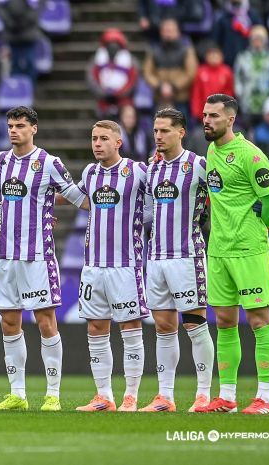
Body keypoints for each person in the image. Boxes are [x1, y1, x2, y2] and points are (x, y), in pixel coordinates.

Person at [0, 106, 85, 412]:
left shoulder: (49, 163)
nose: (14, 130)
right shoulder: (0, 161)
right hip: (5, 256)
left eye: (20, 125)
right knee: (9, 322)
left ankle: (52, 394)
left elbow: (79, 198)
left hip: (37, 255)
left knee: (45, 321)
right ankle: (18, 394)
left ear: (34, 129)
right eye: (10, 125)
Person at [200, 93, 269, 414]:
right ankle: (228, 398)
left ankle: (264, 398)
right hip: (218, 251)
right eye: (205, 115)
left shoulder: (252, 156)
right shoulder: (210, 149)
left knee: (260, 321)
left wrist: (261, 229)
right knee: (224, 322)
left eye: (214, 116)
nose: (207, 121)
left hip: (249, 250)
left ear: (230, 119)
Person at [140, 108, 216, 413]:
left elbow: (221, 198)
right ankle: (165, 397)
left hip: (187, 256)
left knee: (195, 324)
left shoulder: (198, 165)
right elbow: (146, 212)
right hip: (156, 257)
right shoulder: (153, 170)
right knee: (163, 326)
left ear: (181, 132)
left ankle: (203, 394)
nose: (158, 136)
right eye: (156, 131)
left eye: (164, 131)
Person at [74, 120, 149, 412]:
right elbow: (79, 199)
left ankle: (131, 395)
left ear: (118, 142)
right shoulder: (90, 173)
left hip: (125, 265)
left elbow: (161, 199)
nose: (97, 143)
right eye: (94, 138)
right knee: (96, 327)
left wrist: (148, 221)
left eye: (104, 138)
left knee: (130, 327)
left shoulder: (137, 171)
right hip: (93, 266)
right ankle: (104, 395)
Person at [143, 19, 198, 116]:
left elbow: (191, 72)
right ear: (161, 32)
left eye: (171, 31)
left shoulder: (186, 50)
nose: (168, 33)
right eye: (165, 30)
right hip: (159, 97)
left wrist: (174, 87)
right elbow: (147, 72)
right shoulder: (154, 50)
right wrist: (159, 86)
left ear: (178, 32)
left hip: (180, 98)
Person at [87, 28, 139, 117]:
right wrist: (103, 93)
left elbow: (133, 80)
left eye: (115, 44)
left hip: (124, 102)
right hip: (103, 101)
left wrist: (119, 94)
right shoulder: (96, 61)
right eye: (109, 44)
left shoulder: (130, 61)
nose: (112, 47)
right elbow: (92, 79)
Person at [234, 26, 269, 125]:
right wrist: (239, 92)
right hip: (247, 101)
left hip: (266, 100)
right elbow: (237, 77)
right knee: (247, 129)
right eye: (255, 39)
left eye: (260, 39)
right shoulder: (242, 57)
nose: (257, 42)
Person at [0, 0, 44, 82]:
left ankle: (29, 88)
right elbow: (0, 9)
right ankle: (17, 89)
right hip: (12, 34)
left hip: (29, 34)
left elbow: (36, 10)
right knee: (14, 64)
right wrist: (10, 23)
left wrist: (23, 23)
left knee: (30, 63)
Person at [191, 45, 235, 124]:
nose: (214, 57)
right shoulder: (201, 71)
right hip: (204, 113)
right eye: (211, 55)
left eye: (216, 55)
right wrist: (196, 110)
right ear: (206, 57)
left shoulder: (226, 72)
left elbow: (229, 93)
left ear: (221, 56)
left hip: (221, 112)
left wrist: (227, 110)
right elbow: (196, 92)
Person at [211, 0, 262, 67]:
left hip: (249, 62)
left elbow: (260, 37)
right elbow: (216, 40)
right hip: (228, 61)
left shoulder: (253, 15)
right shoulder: (222, 16)